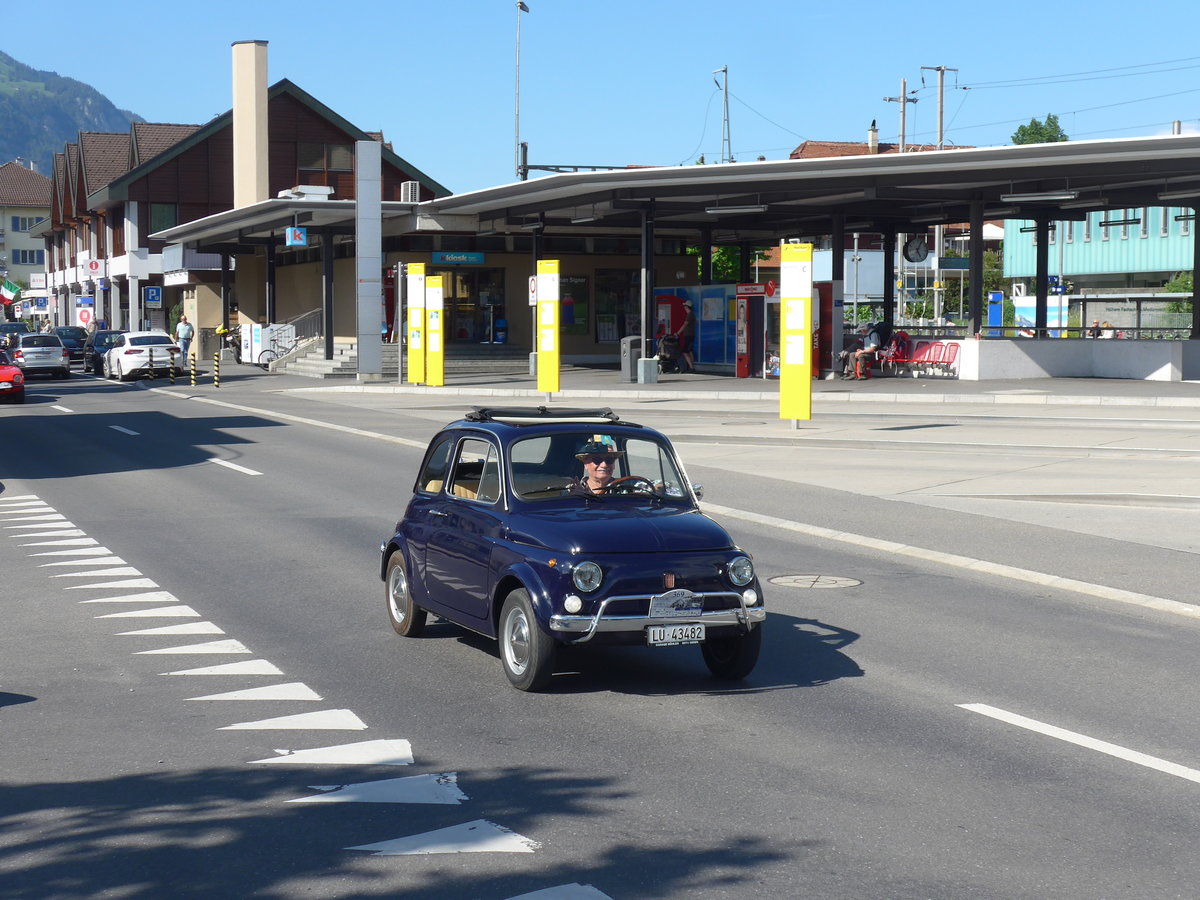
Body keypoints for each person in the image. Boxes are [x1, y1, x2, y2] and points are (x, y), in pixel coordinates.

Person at [674, 300, 696, 372]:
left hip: (688, 335)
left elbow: (685, 325)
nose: (684, 307)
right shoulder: (692, 314)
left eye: (685, 306)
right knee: (690, 351)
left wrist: (678, 333)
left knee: (685, 351)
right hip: (691, 335)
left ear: (687, 307)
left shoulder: (689, 315)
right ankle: (692, 366)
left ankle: (691, 367)